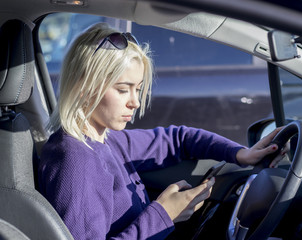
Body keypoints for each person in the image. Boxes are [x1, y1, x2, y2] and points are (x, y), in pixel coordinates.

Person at [38, 23, 288, 240]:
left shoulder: (106, 139)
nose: (135, 102)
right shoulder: (75, 161)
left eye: (138, 89)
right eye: (123, 89)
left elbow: (178, 138)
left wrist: (240, 154)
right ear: (85, 89)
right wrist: (163, 215)